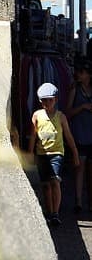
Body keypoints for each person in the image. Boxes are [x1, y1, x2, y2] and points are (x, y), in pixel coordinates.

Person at [31, 81, 79, 227]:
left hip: (57, 153)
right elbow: (33, 136)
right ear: (40, 101)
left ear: (55, 100)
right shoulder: (37, 116)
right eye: (44, 100)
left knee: (55, 181)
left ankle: (55, 213)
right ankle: (49, 211)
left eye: (50, 100)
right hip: (41, 154)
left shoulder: (60, 117)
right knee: (45, 184)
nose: (47, 103)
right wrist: (29, 153)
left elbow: (68, 136)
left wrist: (75, 154)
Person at [67, 60, 92, 213]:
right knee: (80, 167)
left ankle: (90, 201)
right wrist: (83, 107)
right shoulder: (74, 90)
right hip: (79, 134)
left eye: (82, 72)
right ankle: (78, 202)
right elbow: (67, 112)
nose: (79, 74)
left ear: (89, 75)